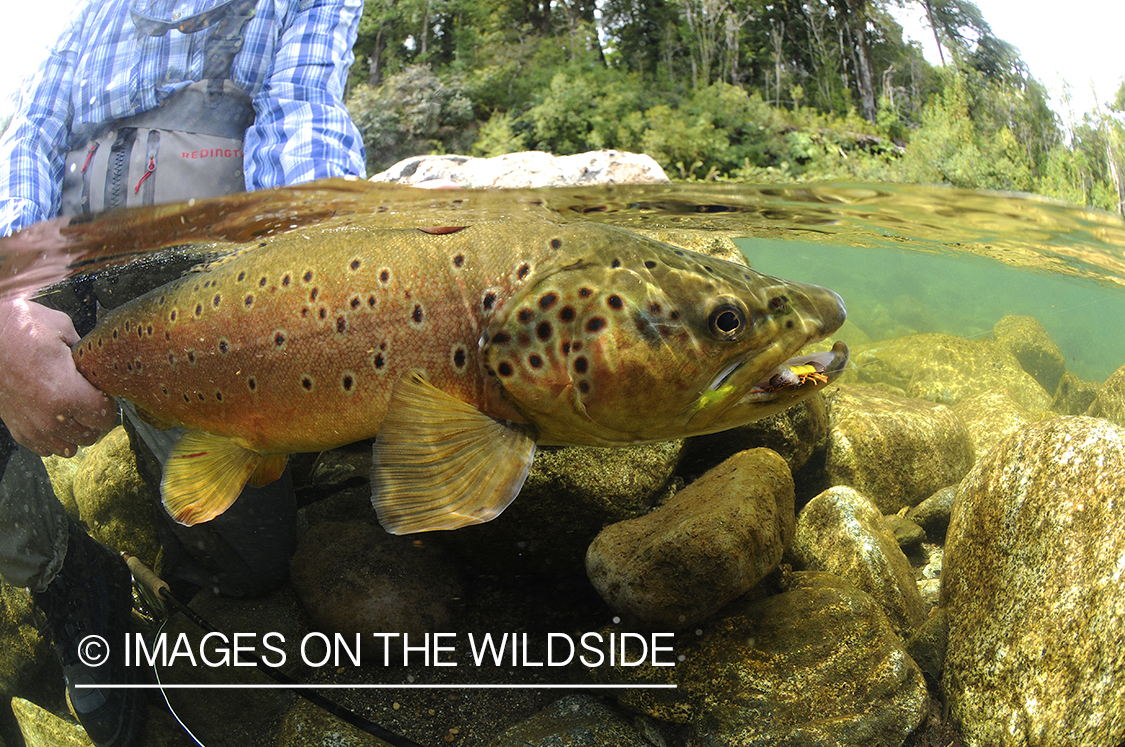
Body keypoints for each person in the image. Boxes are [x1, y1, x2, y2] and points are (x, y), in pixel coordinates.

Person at [0, 0, 366, 744]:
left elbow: (303, 112)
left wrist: (325, 267)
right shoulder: (89, 18)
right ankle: (70, 578)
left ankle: (180, 524)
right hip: (61, 276)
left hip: (216, 296)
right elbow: (27, 137)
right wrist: (10, 301)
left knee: (250, 560)